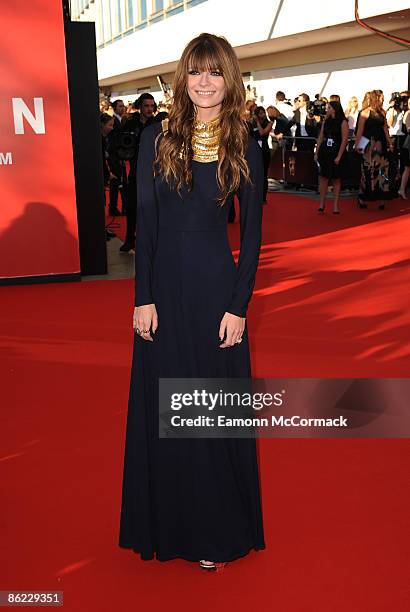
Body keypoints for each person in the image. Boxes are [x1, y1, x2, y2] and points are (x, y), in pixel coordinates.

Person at [119, 32, 266, 571]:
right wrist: (143, 297)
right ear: (183, 78)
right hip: (164, 295)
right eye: (196, 71)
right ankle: (169, 525)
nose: (204, 82)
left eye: (215, 72)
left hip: (214, 295)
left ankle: (214, 534)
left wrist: (238, 305)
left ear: (230, 78)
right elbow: (148, 225)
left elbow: (250, 236)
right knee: (164, 410)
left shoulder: (245, 144)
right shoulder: (155, 137)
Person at [119, 93, 158, 252]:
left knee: (152, 209)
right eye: (146, 106)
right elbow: (120, 143)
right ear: (140, 107)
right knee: (132, 208)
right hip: (134, 171)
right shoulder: (130, 123)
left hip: (154, 173)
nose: (149, 109)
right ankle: (130, 240)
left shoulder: (157, 124)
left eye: (151, 106)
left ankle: (151, 242)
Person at [355, 90, 395, 209]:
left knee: (383, 171)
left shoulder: (382, 112)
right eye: (381, 98)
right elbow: (360, 131)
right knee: (368, 171)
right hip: (368, 146)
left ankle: (382, 198)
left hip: (381, 146)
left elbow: (385, 129)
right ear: (375, 98)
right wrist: (357, 145)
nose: (383, 99)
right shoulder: (365, 113)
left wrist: (389, 143)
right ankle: (362, 197)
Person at [315, 101, 349, 214]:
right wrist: (317, 151)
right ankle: (321, 203)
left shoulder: (343, 122)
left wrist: (339, 155)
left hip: (336, 150)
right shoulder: (326, 121)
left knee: (336, 179)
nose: (327, 109)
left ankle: (335, 205)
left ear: (334, 109)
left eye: (329, 107)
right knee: (323, 178)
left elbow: (344, 140)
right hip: (325, 151)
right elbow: (321, 136)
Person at [107, 99, 127, 216]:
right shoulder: (114, 122)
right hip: (115, 158)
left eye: (123, 106)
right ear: (114, 108)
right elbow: (113, 143)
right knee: (116, 183)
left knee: (119, 183)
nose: (123, 108)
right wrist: (120, 157)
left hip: (118, 157)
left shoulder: (120, 121)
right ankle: (113, 208)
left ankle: (115, 207)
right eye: (120, 106)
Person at [100, 113, 117, 241]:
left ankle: (103, 229)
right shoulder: (99, 140)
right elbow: (100, 160)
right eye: (110, 125)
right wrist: (107, 174)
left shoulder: (104, 138)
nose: (112, 128)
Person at [251, 106, 273, 203]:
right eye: (259, 113)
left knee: (263, 175)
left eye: (263, 113)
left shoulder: (269, 123)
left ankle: (263, 197)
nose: (262, 115)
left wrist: (258, 123)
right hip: (254, 150)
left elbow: (262, 133)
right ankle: (254, 195)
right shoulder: (252, 123)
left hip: (264, 150)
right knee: (253, 174)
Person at [398, 105, 410, 199]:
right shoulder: (408, 113)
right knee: (407, 167)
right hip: (408, 144)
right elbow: (408, 129)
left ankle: (402, 189)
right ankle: (402, 189)